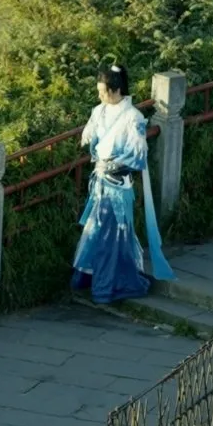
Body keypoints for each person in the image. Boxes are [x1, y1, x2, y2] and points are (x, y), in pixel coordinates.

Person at [71, 62, 175, 304]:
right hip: (100, 185)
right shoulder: (99, 111)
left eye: (102, 90)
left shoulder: (133, 118)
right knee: (96, 231)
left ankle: (105, 287)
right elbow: (89, 140)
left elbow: (138, 157)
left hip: (118, 185)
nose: (99, 95)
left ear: (116, 90)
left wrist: (111, 165)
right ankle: (89, 278)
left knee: (111, 236)